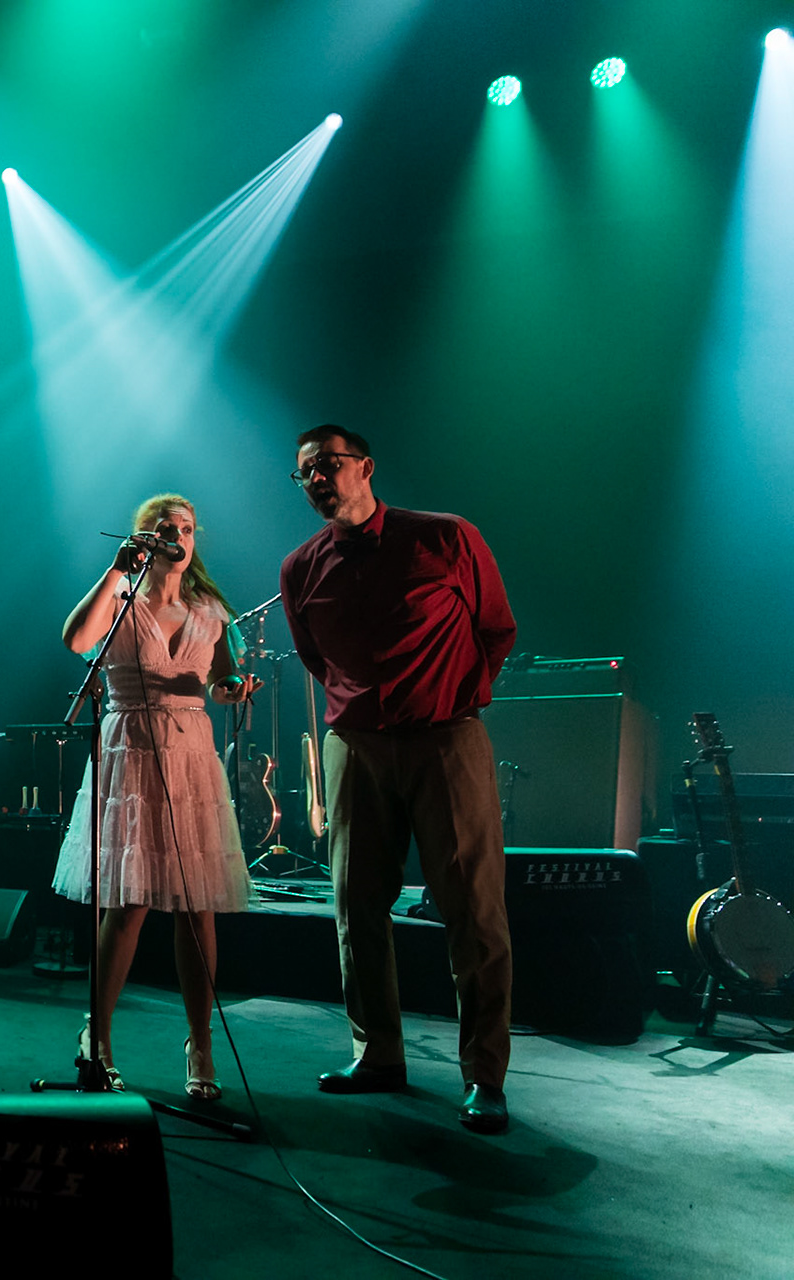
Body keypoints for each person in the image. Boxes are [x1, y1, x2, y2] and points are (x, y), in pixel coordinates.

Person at [279, 425, 516, 1135]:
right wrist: (361, 716)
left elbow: (496, 630)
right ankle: (377, 1054)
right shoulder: (300, 568)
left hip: (446, 738)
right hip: (356, 746)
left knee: (473, 911)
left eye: (328, 465)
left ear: (366, 467)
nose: (318, 479)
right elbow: (315, 658)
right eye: (304, 473)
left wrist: (449, 695)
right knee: (355, 906)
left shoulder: (445, 537)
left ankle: (484, 1077)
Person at [52, 494, 257, 1100]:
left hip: (191, 752)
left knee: (198, 909)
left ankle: (200, 1042)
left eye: (188, 528)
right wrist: (118, 568)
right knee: (128, 903)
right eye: (167, 528)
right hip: (131, 748)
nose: (179, 536)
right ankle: (100, 1036)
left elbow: (223, 680)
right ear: (145, 538)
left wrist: (232, 689)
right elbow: (74, 641)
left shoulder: (213, 610)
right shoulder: (119, 600)